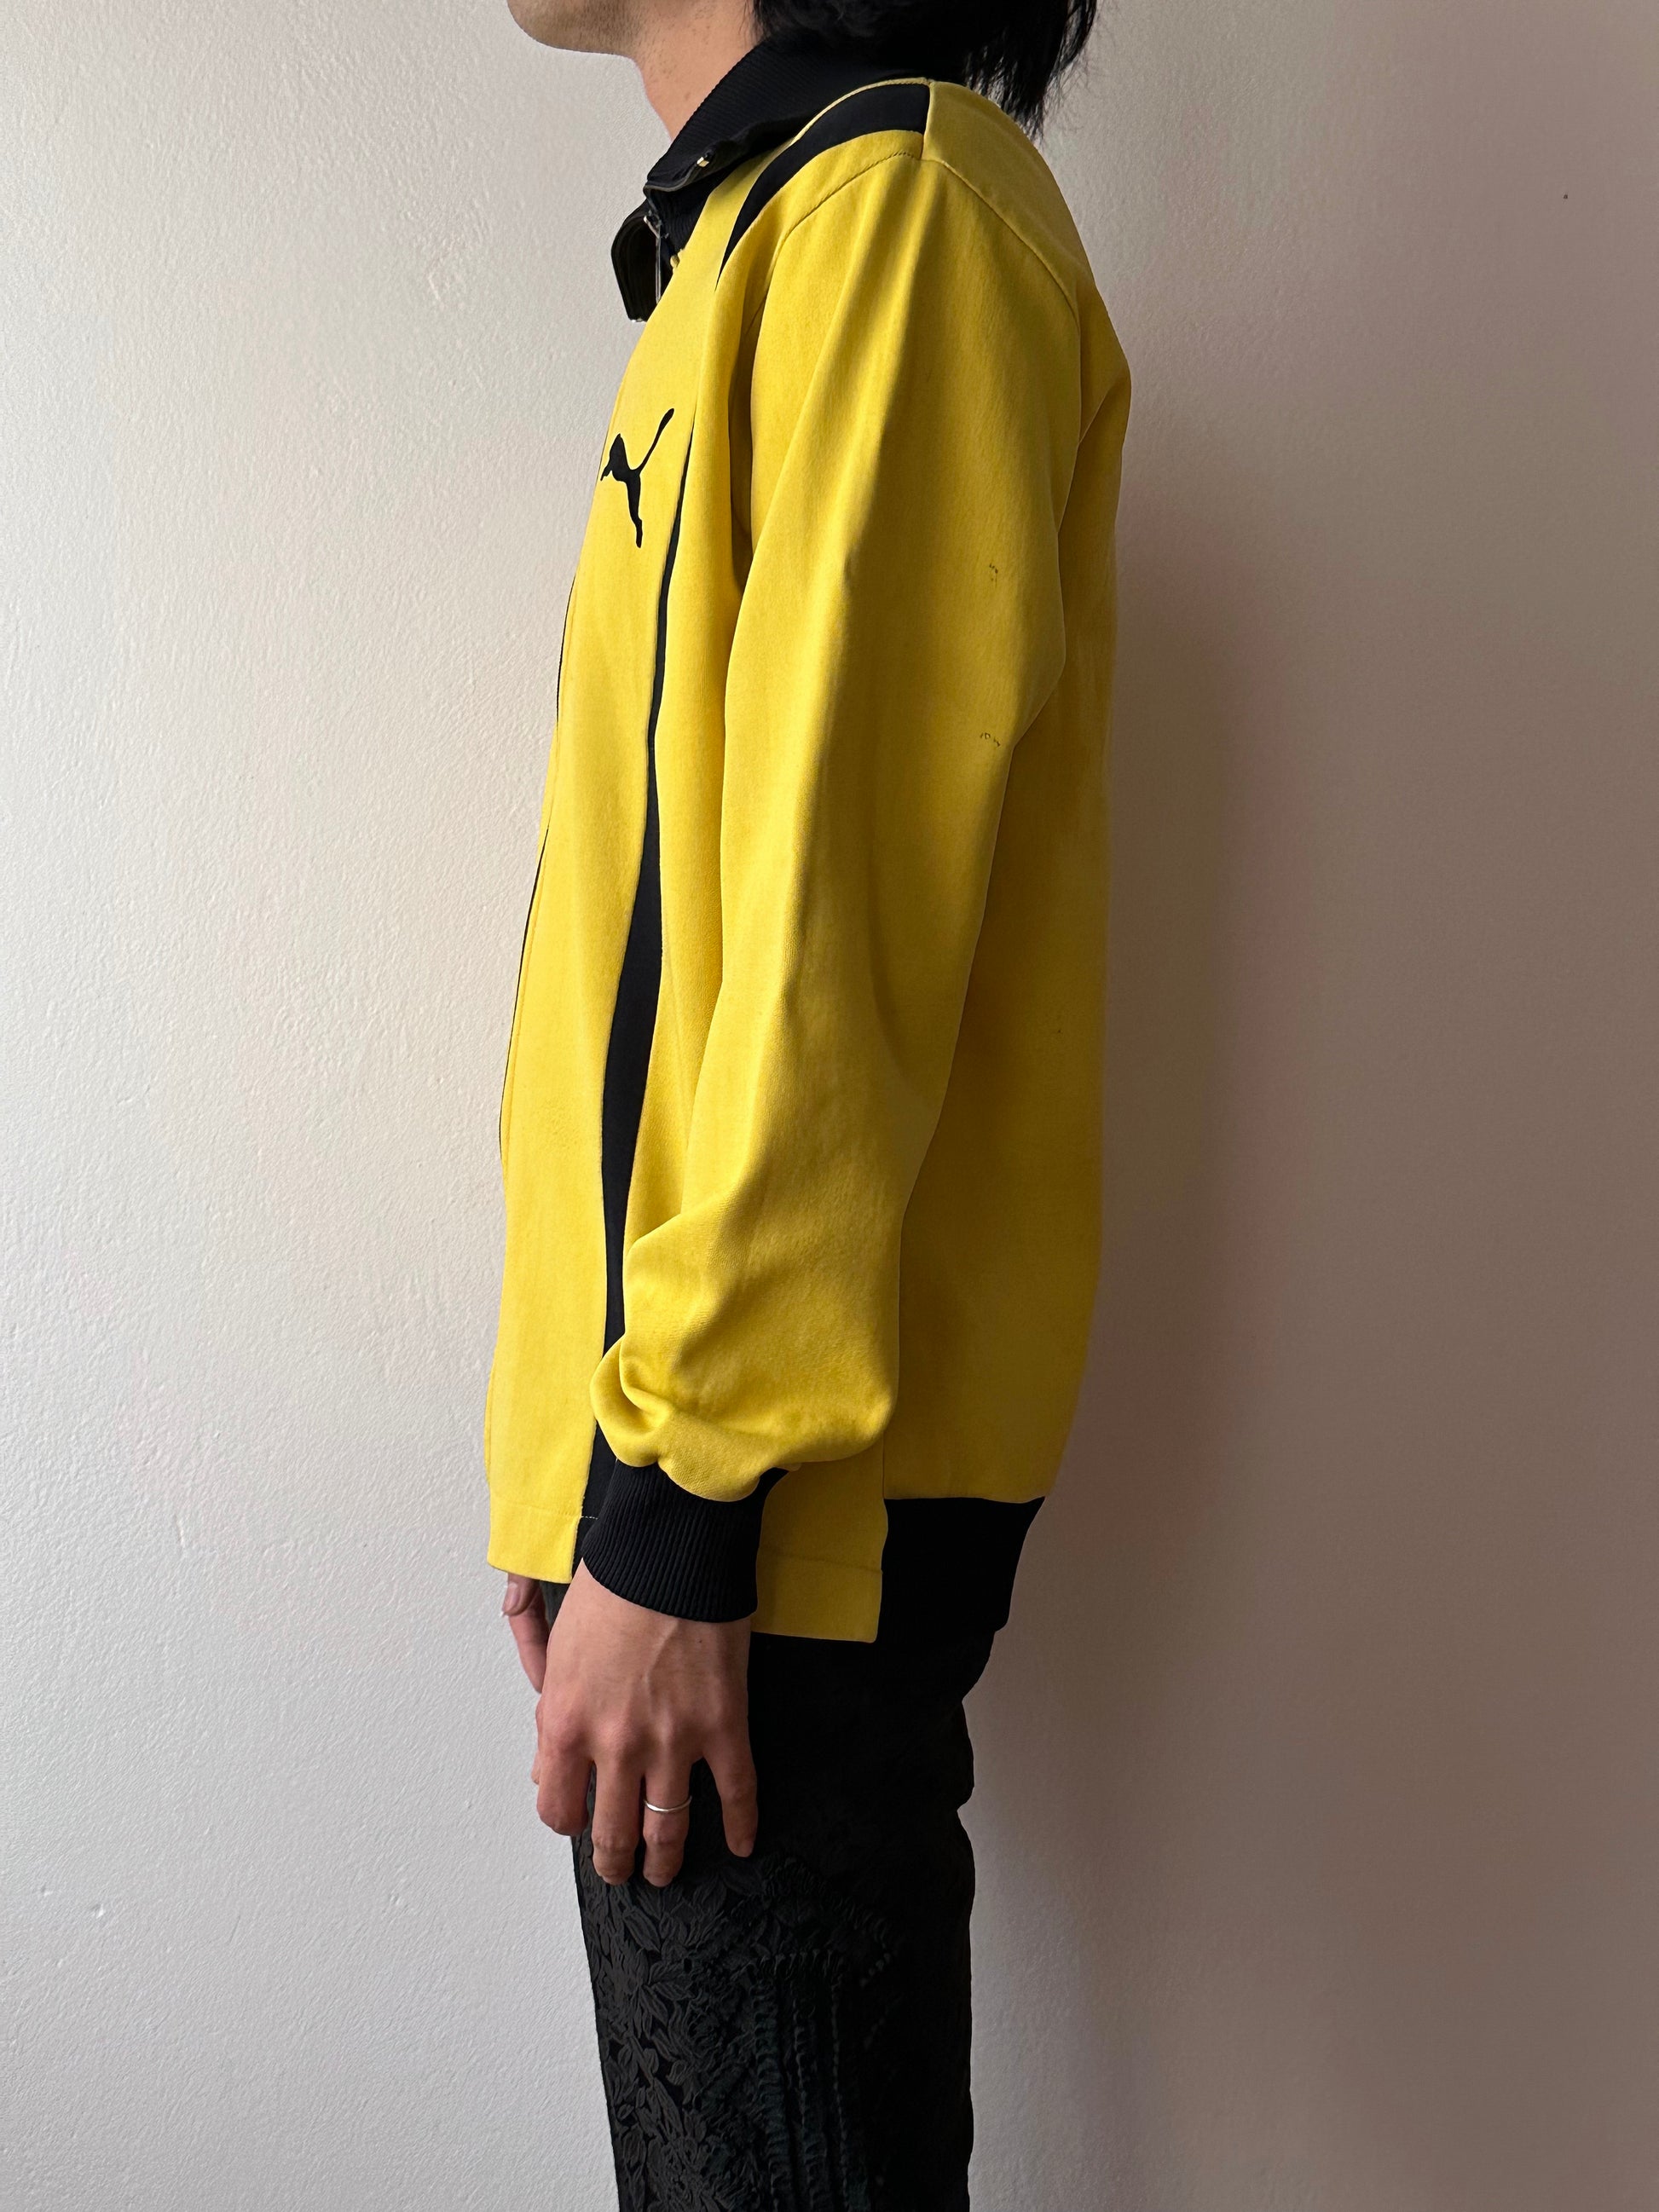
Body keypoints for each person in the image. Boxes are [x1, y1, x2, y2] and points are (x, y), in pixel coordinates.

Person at [488, 1, 1128, 2201]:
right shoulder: (772, 235)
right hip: (695, 1503)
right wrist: (589, 1479)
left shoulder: (894, 209)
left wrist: (677, 1499)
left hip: (762, 1526)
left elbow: (828, 932)